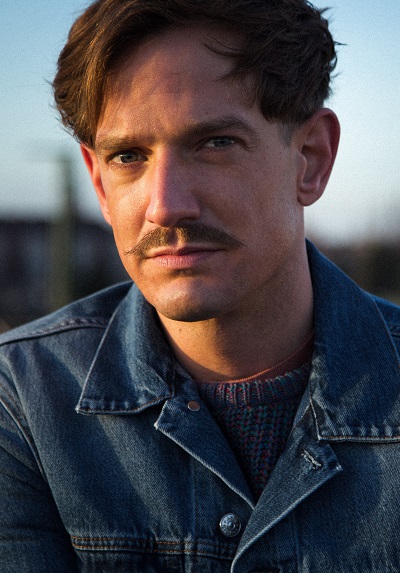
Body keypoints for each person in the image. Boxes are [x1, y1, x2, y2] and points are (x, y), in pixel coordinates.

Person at [1, 0, 400, 571]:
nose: (166, 206)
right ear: (100, 184)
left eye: (215, 143)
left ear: (311, 159)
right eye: (128, 156)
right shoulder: (22, 403)